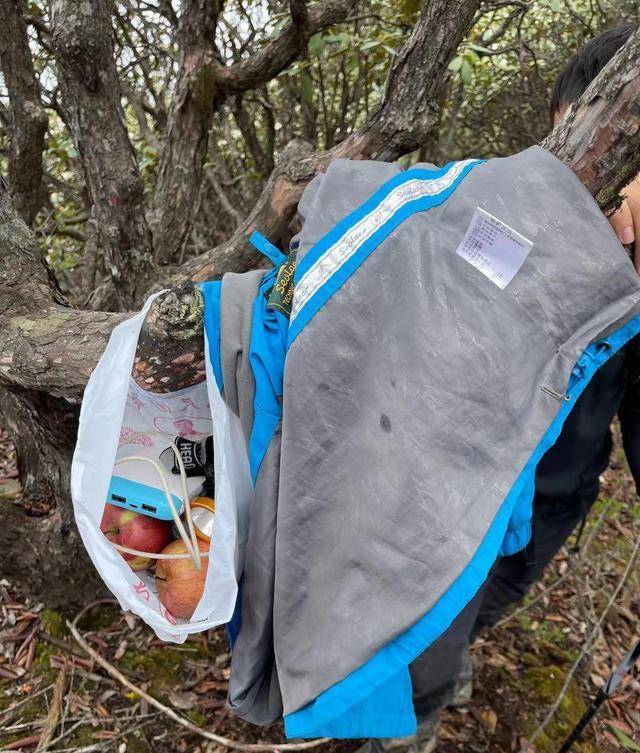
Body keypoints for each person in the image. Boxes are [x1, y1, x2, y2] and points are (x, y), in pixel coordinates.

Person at [359, 22, 640, 753]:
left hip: (548, 499)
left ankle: (432, 675)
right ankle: (405, 710)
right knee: (420, 638)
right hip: (452, 494)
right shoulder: (493, 213)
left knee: (474, 611)